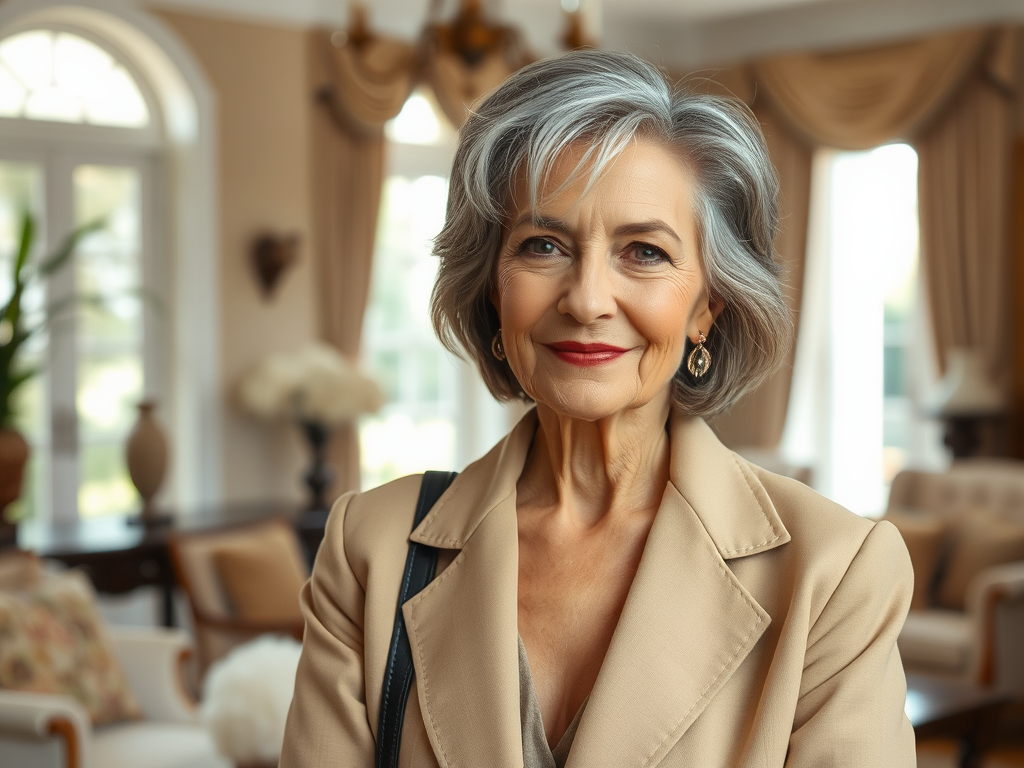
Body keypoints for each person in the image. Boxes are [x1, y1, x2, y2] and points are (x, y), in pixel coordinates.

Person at [280, 49, 916, 768]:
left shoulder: (834, 573)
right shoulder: (372, 548)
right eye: (543, 245)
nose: (586, 300)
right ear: (493, 287)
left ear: (708, 305)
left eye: (643, 252)